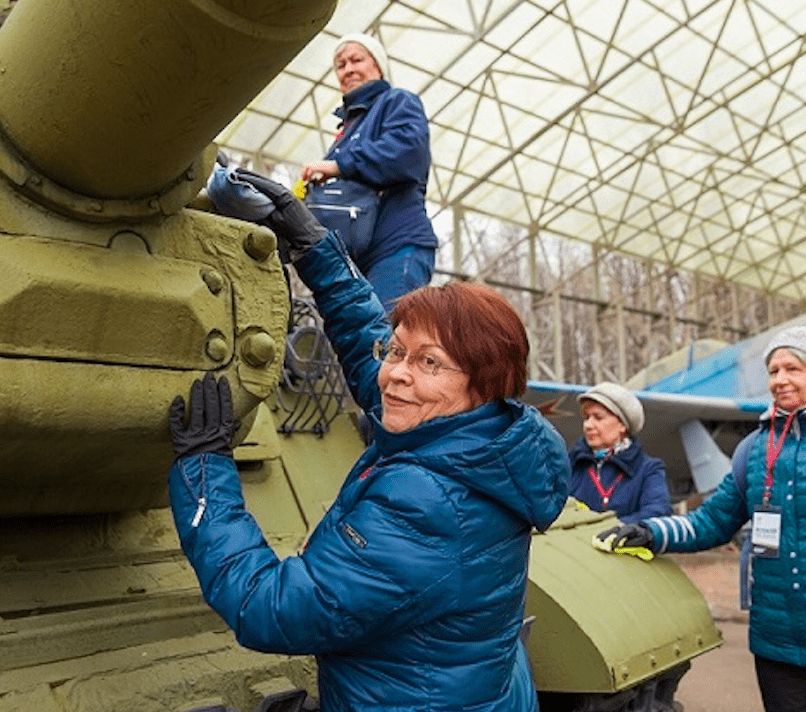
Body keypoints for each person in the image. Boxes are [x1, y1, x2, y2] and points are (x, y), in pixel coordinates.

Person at [167, 168, 570, 711]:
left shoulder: (423, 505)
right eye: (400, 354)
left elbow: (272, 610)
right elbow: (371, 346)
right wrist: (315, 250)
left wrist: (202, 474)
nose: (397, 374)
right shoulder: (488, 440)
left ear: (483, 383)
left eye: (430, 362)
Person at [596, 326, 806, 712]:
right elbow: (712, 521)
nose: (780, 380)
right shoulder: (755, 449)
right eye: (773, 371)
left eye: (793, 368)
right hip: (781, 648)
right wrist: (650, 531)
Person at [298, 33, 438, 311]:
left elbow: (408, 151)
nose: (348, 69)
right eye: (340, 65)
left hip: (396, 246)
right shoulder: (346, 131)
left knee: (385, 341)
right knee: (358, 347)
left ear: (379, 66)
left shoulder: (397, 102)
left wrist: (339, 166)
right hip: (357, 261)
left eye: (356, 59)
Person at [567, 381, 671, 522]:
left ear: (622, 424)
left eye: (598, 418)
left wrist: (608, 530)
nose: (588, 425)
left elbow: (657, 513)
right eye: (586, 417)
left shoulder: (649, 470)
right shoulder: (569, 465)